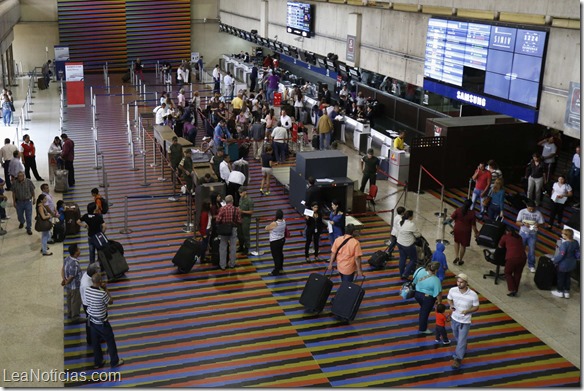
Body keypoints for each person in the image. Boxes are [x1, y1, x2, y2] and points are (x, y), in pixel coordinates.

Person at [85, 272, 124, 369]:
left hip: (92, 322)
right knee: (110, 341)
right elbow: (110, 301)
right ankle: (114, 361)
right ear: (100, 281)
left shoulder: (87, 291)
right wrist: (106, 288)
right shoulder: (102, 294)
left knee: (95, 343)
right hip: (102, 323)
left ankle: (98, 362)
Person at [447, 273, 480, 369]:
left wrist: (468, 311)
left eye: (461, 282)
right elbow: (449, 299)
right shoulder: (453, 290)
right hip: (454, 319)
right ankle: (463, 346)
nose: (459, 284)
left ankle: (458, 359)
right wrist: (451, 305)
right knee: (457, 336)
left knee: (461, 340)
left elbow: (476, 307)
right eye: (458, 281)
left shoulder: (473, 295)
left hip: (465, 322)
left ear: (466, 283)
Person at [412, 261, 442, 334]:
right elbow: (438, 293)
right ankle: (423, 329)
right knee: (424, 312)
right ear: (436, 270)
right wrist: (439, 302)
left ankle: (422, 320)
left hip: (417, 294)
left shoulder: (420, 270)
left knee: (423, 309)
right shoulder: (436, 280)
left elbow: (414, 280)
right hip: (427, 298)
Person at [516, 200, 544, 273]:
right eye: (530, 208)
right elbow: (517, 222)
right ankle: (518, 262)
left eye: (533, 209)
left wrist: (538, 225)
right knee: (520, 249)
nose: (531, 210)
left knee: (532, 250)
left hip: (533, 234)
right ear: (527, 207)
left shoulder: (538, 213)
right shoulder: (522, 212)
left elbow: (542, 223)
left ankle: (531, 265)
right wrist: (523, 224)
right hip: (523, 233)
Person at [498, 226, 527, 297]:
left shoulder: (505, 236)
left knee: (507, 272)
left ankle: (512, 289)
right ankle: (515, 289)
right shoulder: (519, 237)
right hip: (523, 257)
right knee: (518, 273)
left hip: (512, 258)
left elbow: (500, 246)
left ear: (507, 231)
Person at [551, 229, 580, 299]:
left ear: (566, 235)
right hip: (572, 264)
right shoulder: (576, 242)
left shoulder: (564, 245)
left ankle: (560, 291)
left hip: (563, 265)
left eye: (563, 234)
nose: (562, 235)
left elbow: (561, 255)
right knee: (567, 278)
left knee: (561, 278)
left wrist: (554, 261)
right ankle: (567, 291)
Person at [215, 195, 240, 270]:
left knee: (223, 247)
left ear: (225, 201)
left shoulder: (222, 209)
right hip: (233, 229)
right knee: (233, 247)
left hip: (224, 229)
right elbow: (239, 221)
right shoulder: (236, 209)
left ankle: (222, 265)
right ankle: (232, 264)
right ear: (232, 201)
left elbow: (217, 220)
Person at [451, 200, 479, 266]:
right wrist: (476, 232)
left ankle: (456, 256)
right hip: (466, 231)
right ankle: (460, 260)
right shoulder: (472, 213)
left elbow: (452, 217)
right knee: (463, 245)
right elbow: (473, 225)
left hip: (457, 228)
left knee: (456, 242)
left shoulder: (458, 210)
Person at [61, 244, 84, 323]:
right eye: (78, 249)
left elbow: (62, 269)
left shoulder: (67, 259)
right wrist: (66, 282)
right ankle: (75, 317)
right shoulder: (75, 264)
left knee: (69, 300)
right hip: (75, 286)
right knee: (76, 301)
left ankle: (70, 313)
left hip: (68, 287)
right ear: (75, 252)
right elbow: (71, 277)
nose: (79, 250)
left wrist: (64, 279)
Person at [396, 210, 421, 279]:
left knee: (402, 258)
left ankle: (401, 274)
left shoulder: (400, 222)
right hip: (407, 245)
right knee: (413, 259)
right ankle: (405, 274)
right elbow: (418, 234)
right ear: (410, 217)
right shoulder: (411, 224)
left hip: (399, 242)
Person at [80, 262, 100, 345]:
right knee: (90, 321)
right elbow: (90, 296)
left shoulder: (86, 275)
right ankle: (90, 339)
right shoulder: (87, 284)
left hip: (86, 302)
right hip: (87, 304)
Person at [266, 209, 287, 276]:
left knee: (276, 256)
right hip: (282, 239)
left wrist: (268, 228)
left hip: (275, 241)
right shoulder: (284, 221)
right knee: (280, 254)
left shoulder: (274, 223)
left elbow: (266, 228)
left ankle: (276, 271)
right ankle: (280, 267)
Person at [237, 186, 254, 255]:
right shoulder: (241, 198)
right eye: (239, 192)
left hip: (246, 219)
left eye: (241, 192)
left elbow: (251, 211)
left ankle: (246, 248)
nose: (240, 194)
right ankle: (241, 246)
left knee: (245, 234)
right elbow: (240, 206)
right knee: (239, 233)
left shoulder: (249, 200)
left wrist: (243, 211)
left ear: (245, 192)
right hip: (240, 218)